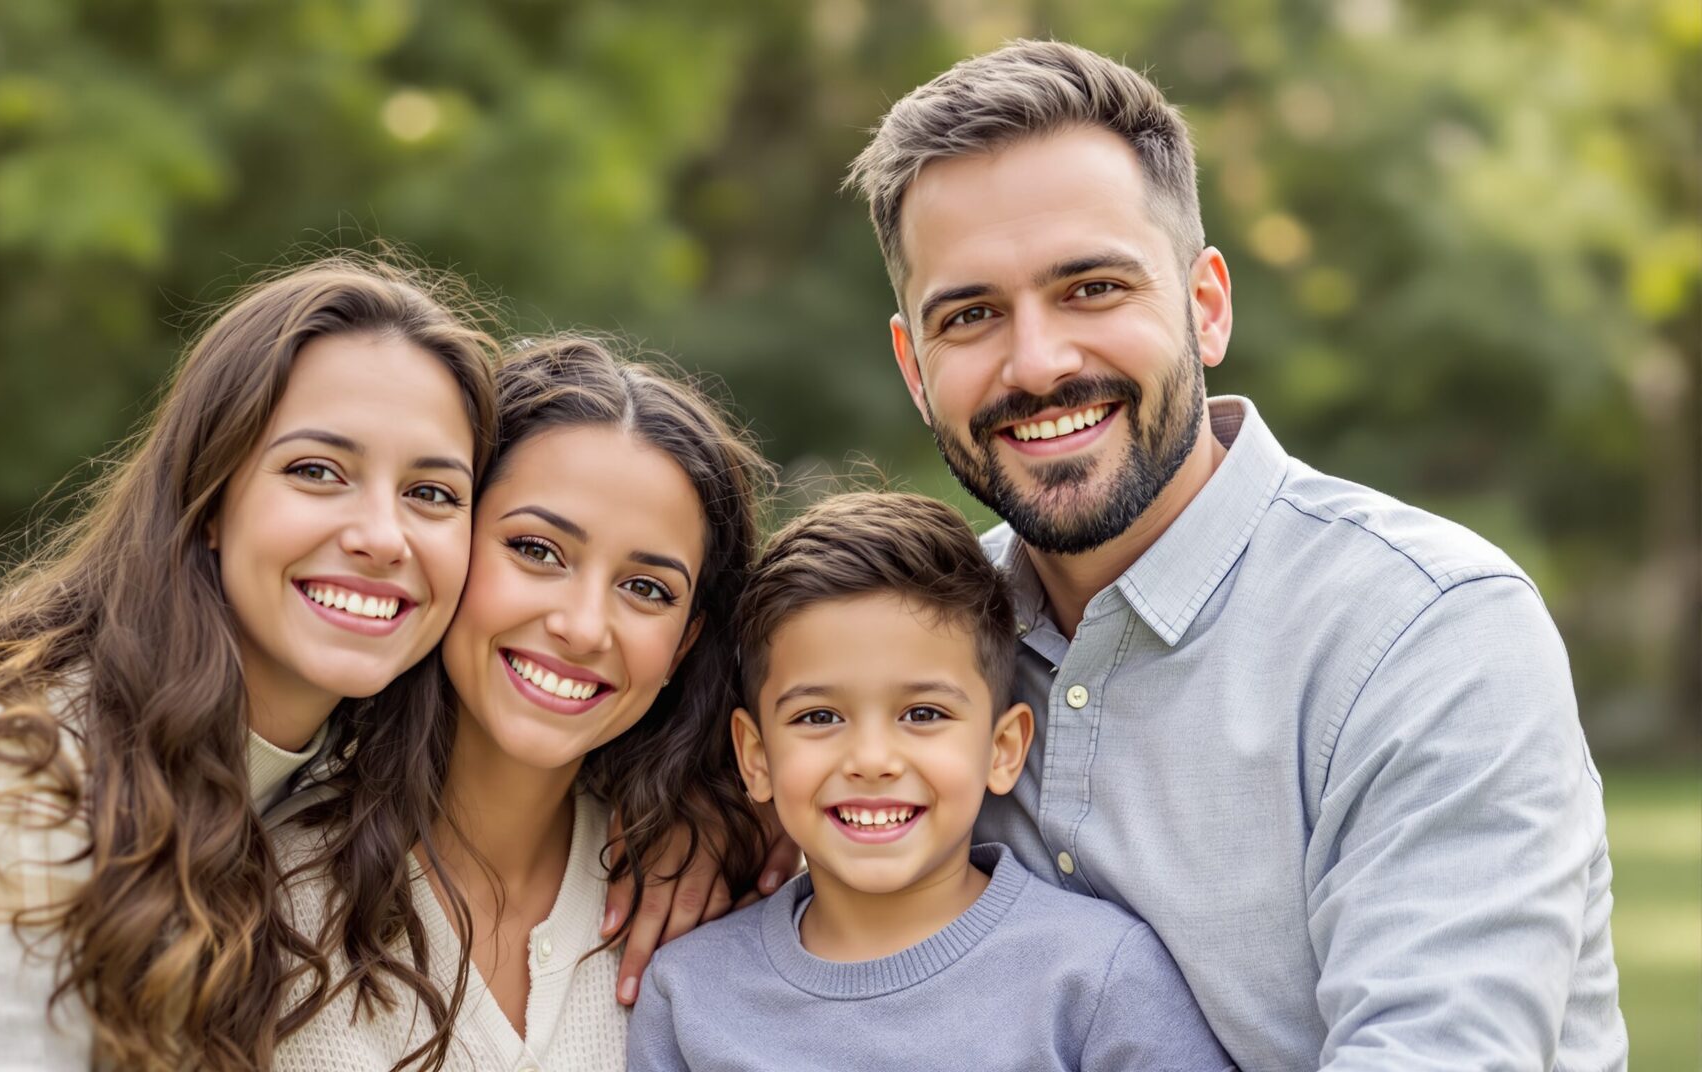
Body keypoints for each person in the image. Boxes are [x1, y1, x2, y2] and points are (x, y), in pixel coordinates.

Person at [843, 39, 1627, 1070]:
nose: (1036, 362)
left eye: (1091, 288)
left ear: (1206, 306)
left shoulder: (1428, 632)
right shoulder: (906, 652)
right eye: (973, 314)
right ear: (915, 366)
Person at [0, 255, 501, 1071]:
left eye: (433, 493)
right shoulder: (9, 771)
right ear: (211, 501)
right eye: (316, 471)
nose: (383, 534)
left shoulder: (350, 781)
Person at [269, 336, 769, 1071]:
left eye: (646, 589)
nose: (582, 625)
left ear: (687, 643)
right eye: (537, 550)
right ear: (454, 539)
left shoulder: (714, 900)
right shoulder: (261, 888)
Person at [626, 491, 1232, 1071]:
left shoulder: (1099, 979)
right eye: (819, 717)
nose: (871, 758)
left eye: (923, 715)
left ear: (1003, 749)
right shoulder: (688, 997)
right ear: (755, 757)